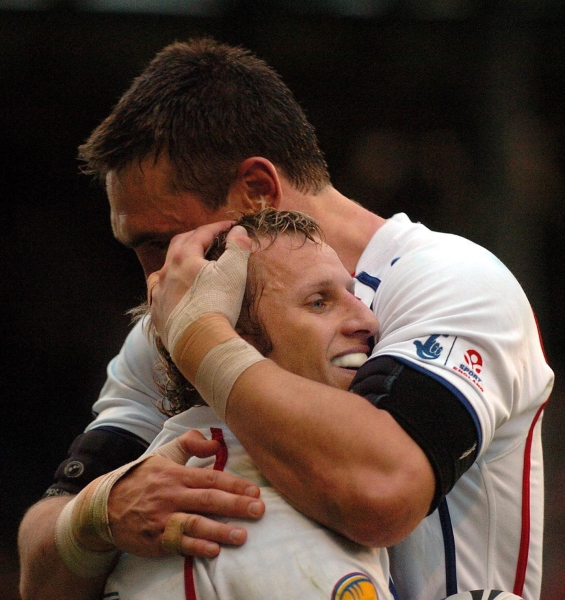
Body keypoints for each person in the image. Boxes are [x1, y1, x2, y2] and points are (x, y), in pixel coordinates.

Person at [18, 38, 552, 600]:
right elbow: (42, 569)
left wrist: (205, 344)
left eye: (161, 242)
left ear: (256, 192)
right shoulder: (170, 325)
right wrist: (95, 516)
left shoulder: (450, 280)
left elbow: (382, 494)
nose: (156, 279)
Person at [104, 209, 394, 599]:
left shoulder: (226, 466)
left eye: (354, 296)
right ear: (235, 335)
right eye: (319, 303)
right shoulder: (249, 511)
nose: (367, 320)